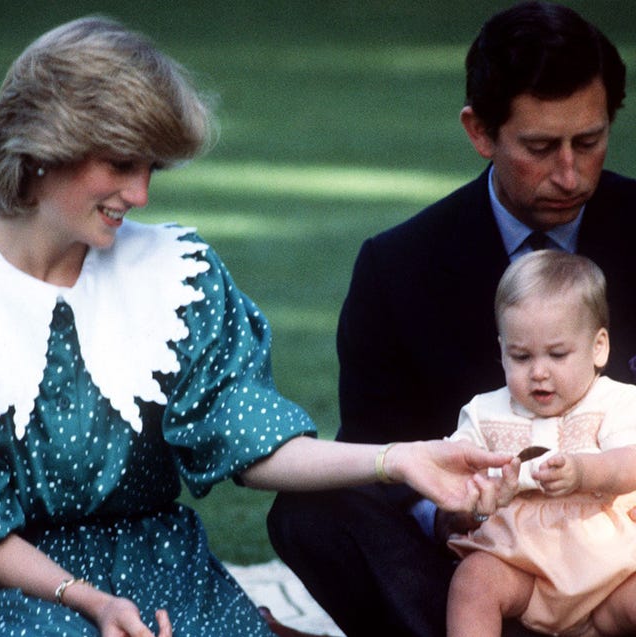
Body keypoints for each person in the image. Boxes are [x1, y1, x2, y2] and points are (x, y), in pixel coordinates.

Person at [0, 16, 519, 637]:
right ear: (45, 147)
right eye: (119, 164)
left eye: (152, 168)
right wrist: (87, 601)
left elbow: (250, 439)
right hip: (21, 584)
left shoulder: (172, 276)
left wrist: (398, 460)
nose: (139, 193)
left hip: (164, 575)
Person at [267, 3, 636, 636]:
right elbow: (375, 446)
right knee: (313, 508)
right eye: (541, 147)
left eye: (590, 141)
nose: (571, 173)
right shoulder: (398, 266)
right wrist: (450, 514)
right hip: (484, 560)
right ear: (480, 133)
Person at [447, 250, 636, 637]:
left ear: (599, 347)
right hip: (523, 570)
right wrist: (476, 498)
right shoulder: (484, 413)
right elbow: (452, 474)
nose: (538, 372)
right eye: (520, 356)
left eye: (557, 354)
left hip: (611, 573)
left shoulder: (616, 401)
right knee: (472, 581)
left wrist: (584, 471)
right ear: (502, 351)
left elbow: (629, 463)